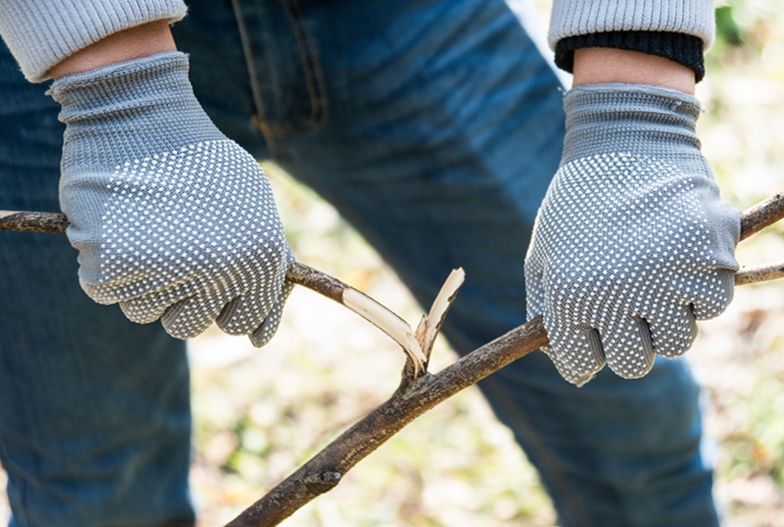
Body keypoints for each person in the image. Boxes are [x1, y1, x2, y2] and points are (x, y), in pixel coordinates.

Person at [0, 0, 739, 526]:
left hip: (397, 16)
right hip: (40, 63)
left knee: (626, 414)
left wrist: (635, 99)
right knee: (97, 490)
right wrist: (114, 82)